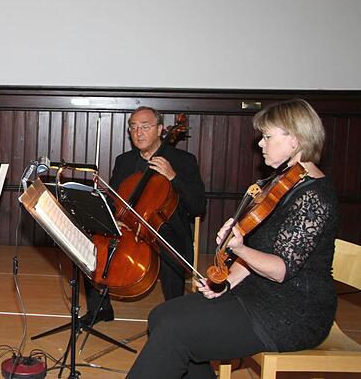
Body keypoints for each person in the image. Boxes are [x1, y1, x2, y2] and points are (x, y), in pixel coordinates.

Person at [126, 99, 339, 379]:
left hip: (291, 312)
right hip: (255, 293)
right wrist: (226, 283)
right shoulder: (280, 183)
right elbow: (257, 250)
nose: (260, 144)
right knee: (161, 316)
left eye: (267, 136)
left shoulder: (313, 197)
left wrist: (238, 247)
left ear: (295, 140)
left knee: (174, 332)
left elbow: (280, 269)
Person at [81, 106, 206, 326]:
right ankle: (100, 308)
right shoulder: (124, 161)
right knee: (91, 244)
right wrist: (114, 217)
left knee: (168, 246)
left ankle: (174, 317)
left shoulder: (183, 160)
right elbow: (114, 199)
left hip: (168, 230)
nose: (138, 133)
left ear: (159, 130)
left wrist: (173, 177)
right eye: (134, 128)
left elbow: (197, 206)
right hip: (130, 228)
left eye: (145, 127)